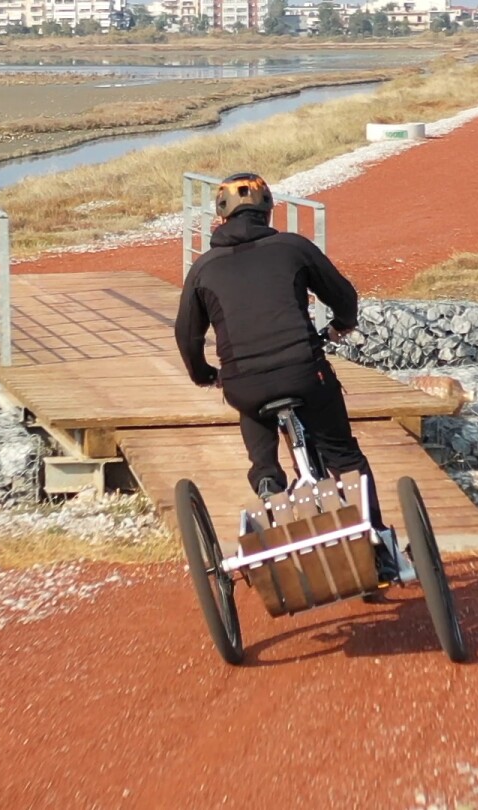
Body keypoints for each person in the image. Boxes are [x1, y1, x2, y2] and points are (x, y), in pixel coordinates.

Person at [174, 171, 400, 581]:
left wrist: (204, 374)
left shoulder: (203, 269)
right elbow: (343, 296)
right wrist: (341, 324)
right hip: (304, 371)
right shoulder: (293, 247)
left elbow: (186, 334)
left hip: (244, 382)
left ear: (221, 217)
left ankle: (267, 480)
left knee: (250, 404)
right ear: (267, 211)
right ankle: (379, 545)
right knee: (344, 455)